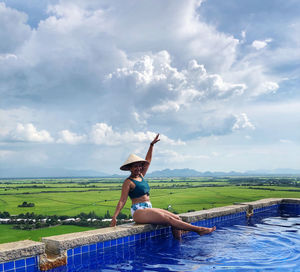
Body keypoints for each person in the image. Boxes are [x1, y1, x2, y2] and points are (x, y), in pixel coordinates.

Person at [110, 134, 216, 238]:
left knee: (177, 218)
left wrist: (151, 146)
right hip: (138, 211)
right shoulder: (128, 182)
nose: (138, 168)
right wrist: (115, 216)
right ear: (130, 168)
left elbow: (148, 161)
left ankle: (178, 243)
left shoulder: (141, 176)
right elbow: (122, 201)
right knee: (168, 219)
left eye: (139, 166)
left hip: (148, 208)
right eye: (135, 166)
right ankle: (199, 230)